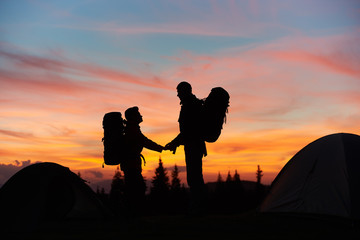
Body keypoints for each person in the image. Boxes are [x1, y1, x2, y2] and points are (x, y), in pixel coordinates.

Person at [165, 82, 207, 214]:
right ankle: (198, 208)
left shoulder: (190, 106)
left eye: (179, 91)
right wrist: (176, 143)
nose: (177, 94)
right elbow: (187, 131)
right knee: (195, 177)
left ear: (185, 91)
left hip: (193, 146)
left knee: (194, 178)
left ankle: (198, 209)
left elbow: (188, 131)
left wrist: (174, 142)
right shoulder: (192, 104)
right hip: (193, 145)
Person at [121, 106, 164, 216]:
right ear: (133, 117)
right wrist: (161, 148)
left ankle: (132, 214)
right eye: (139, 114)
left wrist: (160, 148)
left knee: (133, 188)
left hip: (129, 163)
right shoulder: (132, 129)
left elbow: (144, 141)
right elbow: (145, 142)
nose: (141, 116)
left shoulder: (131, 128)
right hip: (131, 164)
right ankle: (134, 215)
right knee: (137, 189)